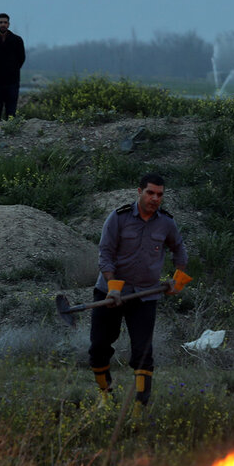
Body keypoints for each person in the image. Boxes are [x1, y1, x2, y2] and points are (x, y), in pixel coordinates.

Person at [89, 173, 190, 405]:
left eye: (160, 194)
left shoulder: (166, 222)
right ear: (139, 191)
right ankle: (105, 396)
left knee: (143, 353)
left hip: (145, 296)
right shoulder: (118, 217)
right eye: (150, 193)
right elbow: (105, 253)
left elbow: (179, 249)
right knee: (98, 347)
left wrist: (178, 280)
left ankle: (139, 408)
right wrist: (113, 287)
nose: (155, 198)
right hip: (109, 293)